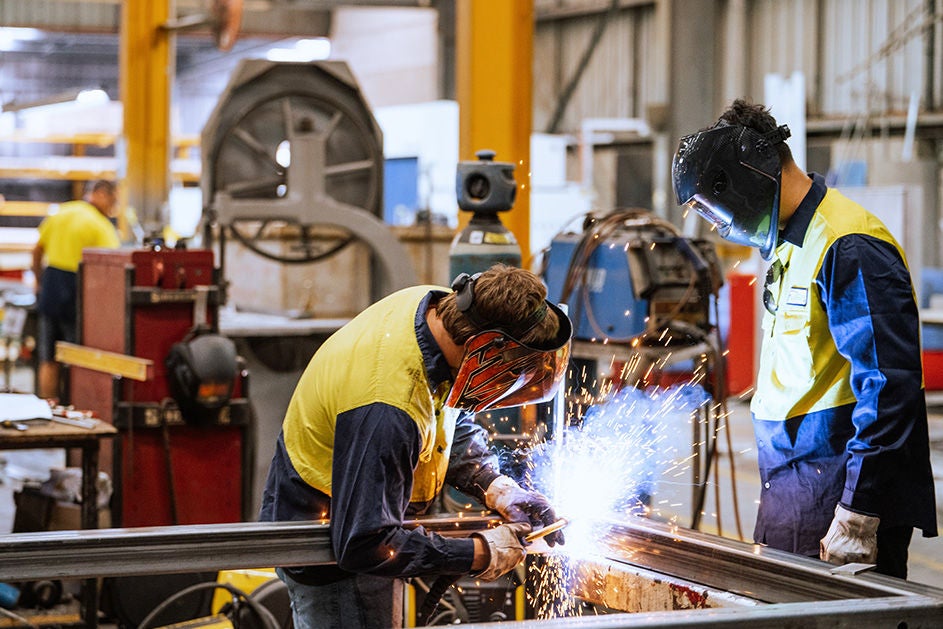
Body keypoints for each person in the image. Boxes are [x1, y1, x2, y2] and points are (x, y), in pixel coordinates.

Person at [672, 99, 937, 578]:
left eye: (717, 210)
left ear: (749, 177)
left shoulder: (847, 243)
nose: (722, 224)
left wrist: (859, 514)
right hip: (795, 483)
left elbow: (890, 385)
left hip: (837, 491)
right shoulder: (792, 240)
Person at [259, 263, 572, 628]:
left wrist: (494, 486)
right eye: (513, 377)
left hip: (366, 509)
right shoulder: (387, 408)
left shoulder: (440, 311)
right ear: (488, 351)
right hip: (332, 552)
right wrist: (480, 551)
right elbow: (366, 544)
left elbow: (447, 412)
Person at [31, 179, 120, 399]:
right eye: (112, 199)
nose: (112, 206)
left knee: (48, 359)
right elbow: (113, 269)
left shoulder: (62, 211)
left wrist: (40, 282)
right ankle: (75, 409)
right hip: (77, 294)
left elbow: (36, 251)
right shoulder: (100, 225)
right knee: (78, 360)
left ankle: (48, 410)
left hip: (51, 287)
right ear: (99, 194)